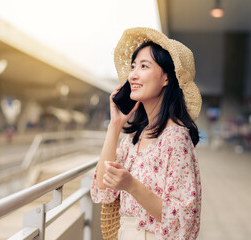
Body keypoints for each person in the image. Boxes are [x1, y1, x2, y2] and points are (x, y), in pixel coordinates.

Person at [90, 27, 202, 240]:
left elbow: (183, 219)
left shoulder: (176, 138)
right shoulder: (133, 139)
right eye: (133, 66)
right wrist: (114, 126)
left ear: (166, 78)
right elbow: (102, 188)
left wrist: (131, 185)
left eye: (144, 66)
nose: (133, 75)